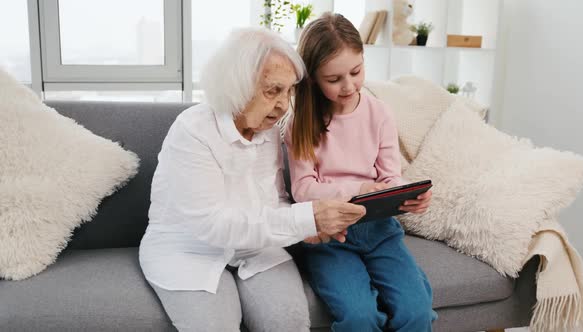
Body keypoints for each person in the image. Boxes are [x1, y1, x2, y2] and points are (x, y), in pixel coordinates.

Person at [138, 27, 366, 332]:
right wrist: (305, 219)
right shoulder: (192, 132)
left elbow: (275, 202)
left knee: (289, 323)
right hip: (187, 249)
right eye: (273, 90)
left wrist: (309, 230)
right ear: (238, 85)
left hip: (257, 246)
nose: (284, 105)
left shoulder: (270, 128)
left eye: (289, 91)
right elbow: (213, 225)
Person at [285, 13, 437, 332]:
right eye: (334, 79)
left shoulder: (379, 113)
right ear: (312, 78)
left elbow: (390, 176)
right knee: (359, 317)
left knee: (417, 310)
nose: (349, 85)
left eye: (356, 71)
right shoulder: (300, 122)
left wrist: (408, 195)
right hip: (329, 236)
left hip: (379, 231)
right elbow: (302, 189)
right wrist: (360, 189)